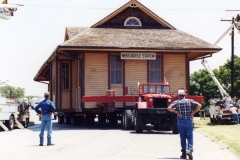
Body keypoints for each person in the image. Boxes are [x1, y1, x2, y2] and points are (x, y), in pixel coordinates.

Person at [167, 89, 202, 160]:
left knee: (182, 138)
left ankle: (183, 153)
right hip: (189, 121)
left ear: (178, 95)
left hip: (180, 121)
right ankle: (190, 150)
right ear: (184, 94)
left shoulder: (176, 102)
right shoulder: (189, 101)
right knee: (190, 137)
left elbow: (169, 108)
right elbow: (199, 105)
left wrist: (176, 112)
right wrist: (193, 112)